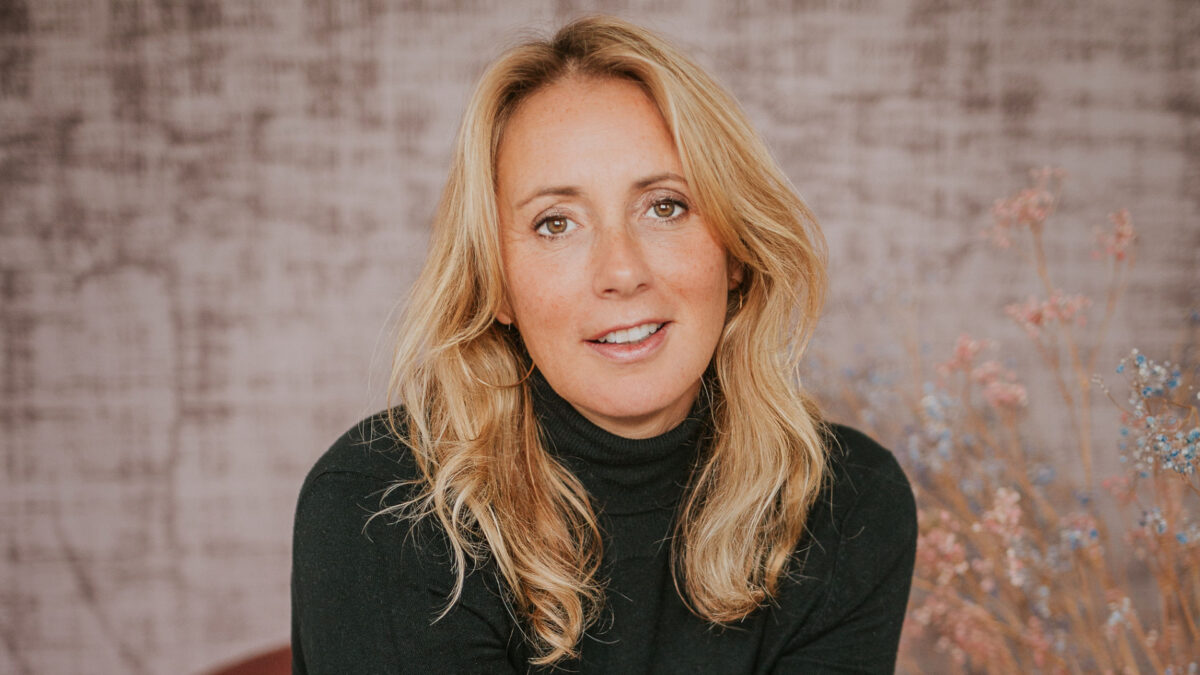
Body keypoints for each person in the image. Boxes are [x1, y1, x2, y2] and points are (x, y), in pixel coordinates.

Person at [291, 15, 916, 674]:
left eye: (665, 206)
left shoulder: (848, 505)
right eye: (555, 223)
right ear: (495, 285)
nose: (622, 271)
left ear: (735, 250)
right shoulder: (380, 508)